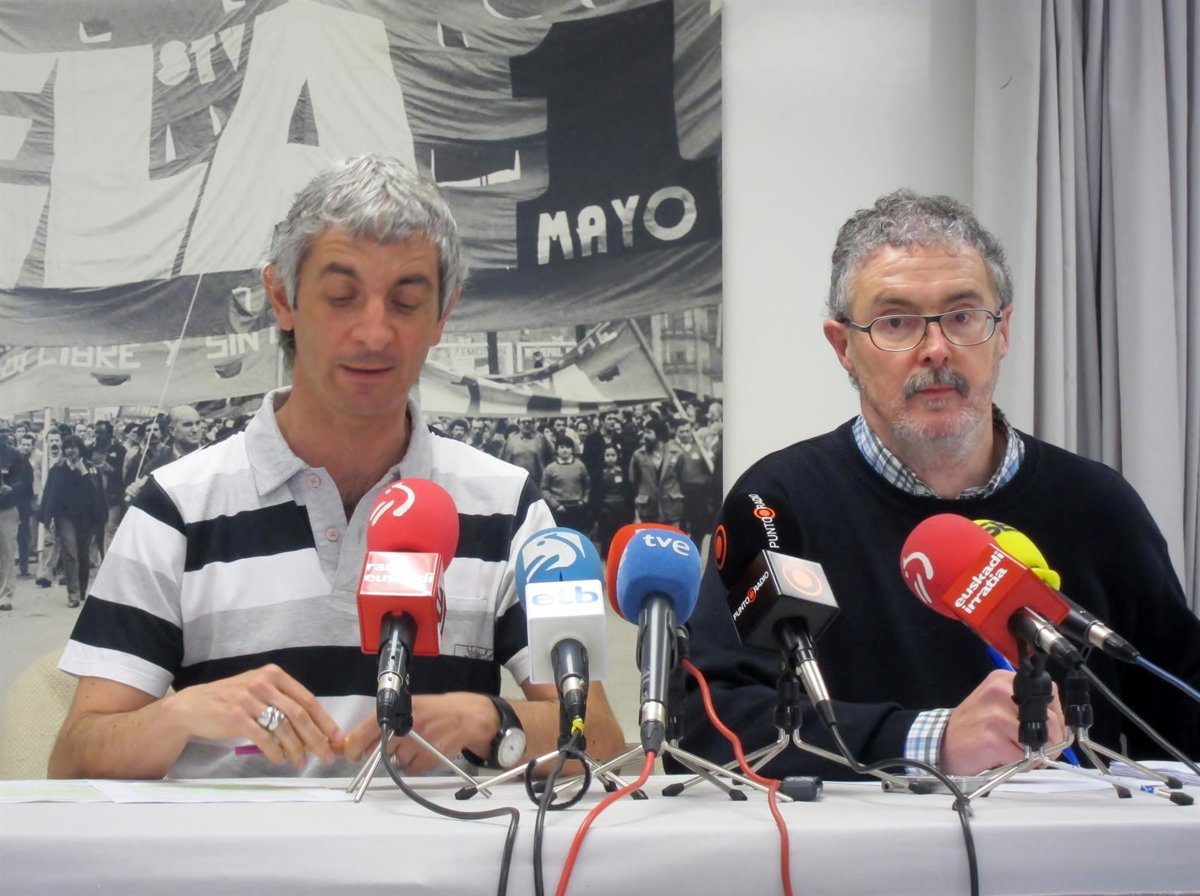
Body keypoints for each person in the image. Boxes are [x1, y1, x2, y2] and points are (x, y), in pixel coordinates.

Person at [51, 154, 623, 780]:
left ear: (444, 313)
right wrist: (180, 714)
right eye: (342, 298)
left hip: (436, 844)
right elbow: (74, 760)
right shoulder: (176, 508)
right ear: (282, 298)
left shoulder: (509, 508)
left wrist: (492, 721)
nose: (374, 333)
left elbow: (599, 738)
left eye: (406, 302)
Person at [681, 189, 1200, 779]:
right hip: (867, 841)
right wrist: (926, 740)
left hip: (1076, 838)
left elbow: (1179, 707)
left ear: (1003, 331)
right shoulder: (777, 505)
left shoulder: (1098, 505)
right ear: (843, 346)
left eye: (962, 317)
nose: (935, 350)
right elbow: (709, 722)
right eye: (895, 322)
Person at [39, 435, 105, 609]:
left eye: (74, 447)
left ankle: (82, 589)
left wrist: (83, 472)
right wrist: (47, 517)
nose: (70, 451)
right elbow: (50, 494)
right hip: (65, 516)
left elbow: (96, 494)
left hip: (86, 517)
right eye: (67, 447)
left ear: (80, 449)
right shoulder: (58, 469)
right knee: (69, 552)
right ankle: (73, 594)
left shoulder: (91, 468)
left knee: (83, 554)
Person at [0, 429, 35, 611]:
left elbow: (24, 482)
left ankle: (6, 594)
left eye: (3, 432)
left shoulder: (14, 455)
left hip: (6, 508)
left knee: (7, 551)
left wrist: (11, 488)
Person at [540, 437, 591, 535]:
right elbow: (544, 489)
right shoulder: (550, 468)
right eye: (562, 447)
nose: (565, 450)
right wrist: (556, 505)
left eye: (568, 447)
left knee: (577, 535)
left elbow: (587, 486)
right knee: (560, 536)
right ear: (557, 450)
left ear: (572, 449)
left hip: (577, 507)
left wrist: (583, 500)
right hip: (558, 508)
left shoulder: (580, 466)